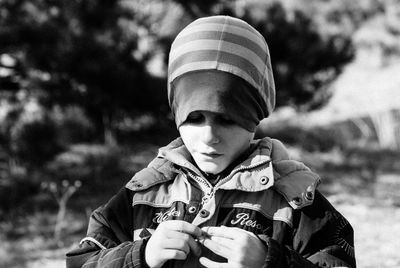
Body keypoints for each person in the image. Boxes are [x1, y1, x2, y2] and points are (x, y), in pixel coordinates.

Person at [66, 15, 356, 268]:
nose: (208, 136)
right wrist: (141, 255)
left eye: (227, 119)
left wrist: (272, 260)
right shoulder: (143, 193)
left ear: (255, 115)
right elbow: (82, 262)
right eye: (194, 118)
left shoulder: (295, 199)